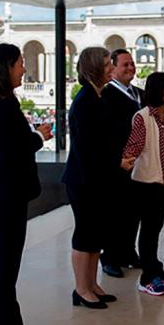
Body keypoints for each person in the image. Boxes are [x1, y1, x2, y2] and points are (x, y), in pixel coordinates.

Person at [0, 43, 53, 325]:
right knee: (6, 268)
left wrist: (33, 136)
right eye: (20, 63)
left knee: (6, 268)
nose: (24, 69)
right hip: (4, 195)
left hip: (4, 193)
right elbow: (13, 151)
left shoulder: (2, 102)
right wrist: (40, 136)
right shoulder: (2, 105)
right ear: (5, 67)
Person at [61, 47, 116, 310]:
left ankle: (91, 284)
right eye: (107, 63)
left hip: (96, 177)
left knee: (95, 233)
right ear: (95, 67)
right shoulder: (84, 101)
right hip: (84, 179)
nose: (111, 67)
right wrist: (115, 161)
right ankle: (81, 288)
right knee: (85, 233)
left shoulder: (97, 96)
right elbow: (90, 147)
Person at [122, 72, 164, 296]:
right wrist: (124, 159)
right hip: (145, 183)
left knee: (155, 229)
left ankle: (155, 270)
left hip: (163, 184)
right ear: (157, 90)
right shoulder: (142, 117)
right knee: (147, 231)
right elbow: (134, 145)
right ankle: (147, 277)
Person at [99, 49, 145, 277]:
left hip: (138, 162)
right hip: (117, 163)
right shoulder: (105, 96)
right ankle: (109, 257)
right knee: (114, 211)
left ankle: (128, 251)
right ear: (113, 68)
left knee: (133, 209)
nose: (130, 68)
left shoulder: (139, 94)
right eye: (125, 64)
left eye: (132, 64)